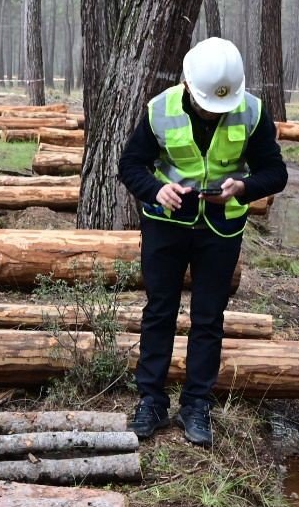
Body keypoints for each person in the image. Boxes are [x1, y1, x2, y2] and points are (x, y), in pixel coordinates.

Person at [117, 37, 287, 447]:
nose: (215, 111)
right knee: (160, 310)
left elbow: (275, 173)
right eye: (208, 103)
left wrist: (243, 187)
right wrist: (157, 190)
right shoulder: (160, 110)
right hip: (166, 225)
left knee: (208, 318)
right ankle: (152, 401)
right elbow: (130, 165)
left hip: (221, 229)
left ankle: (196, 404)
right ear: (189, 87)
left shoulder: (252, 111)